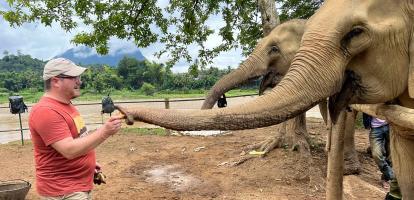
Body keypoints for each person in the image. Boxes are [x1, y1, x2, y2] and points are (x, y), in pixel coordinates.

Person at [29, 58, 123, 199]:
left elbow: (77, 138)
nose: (79, 81)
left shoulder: (67, 105)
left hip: (75, 186)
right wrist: (105, 131)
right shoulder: (46, 111)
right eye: (74, 77)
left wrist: (88, 163)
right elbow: (69, 150)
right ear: (55, 81)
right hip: (64, 191)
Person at [362, 113, 401, 199]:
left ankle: (385, 179)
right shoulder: (370, 101)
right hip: (375, 129)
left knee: (391, 156)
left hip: (389, 127)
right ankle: (392, 176)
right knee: (376, 154)